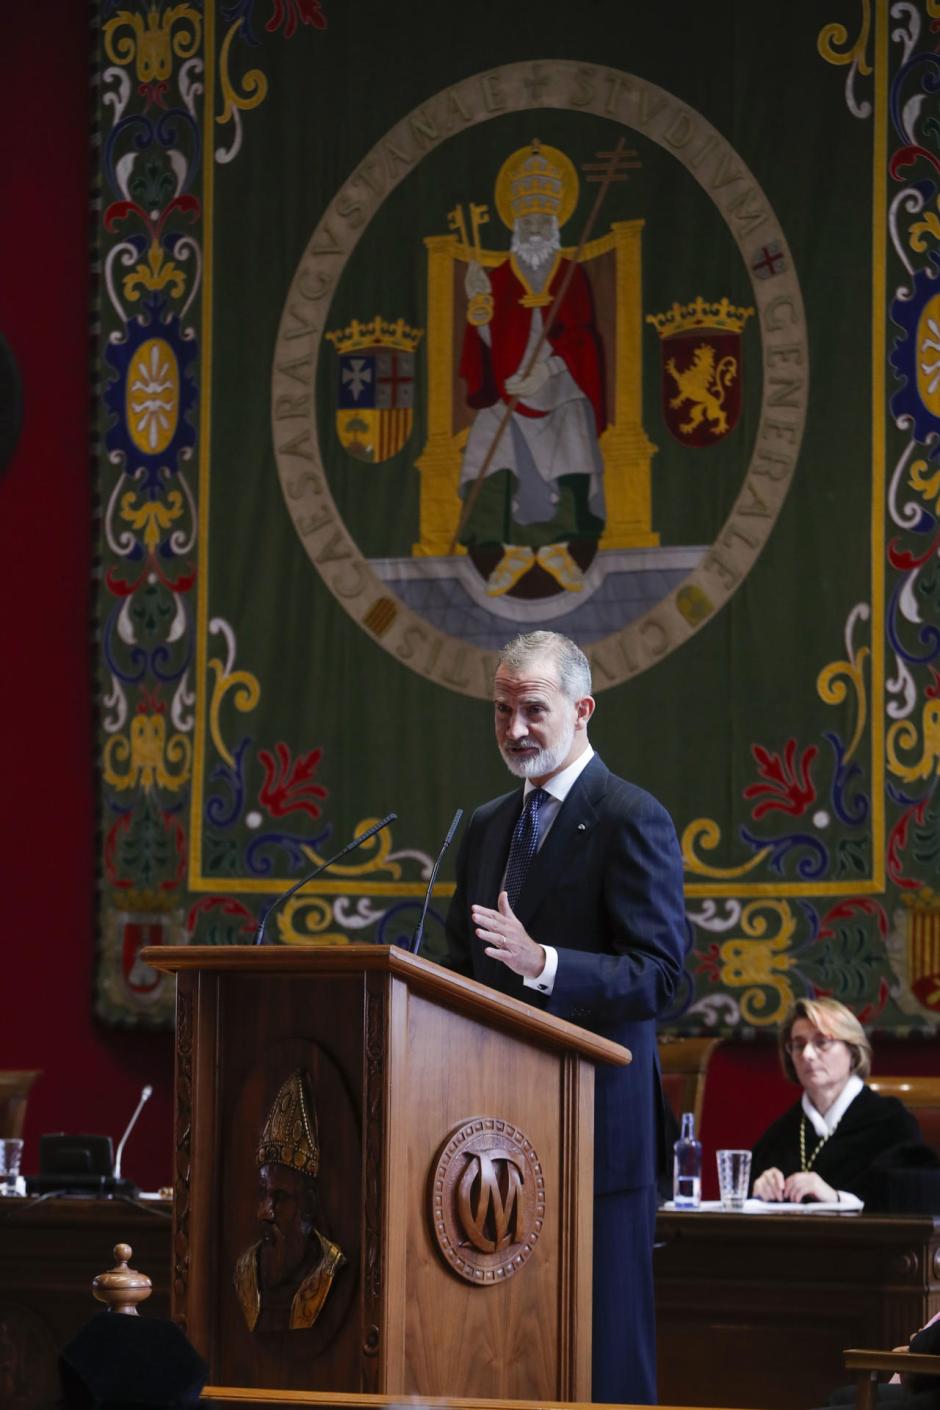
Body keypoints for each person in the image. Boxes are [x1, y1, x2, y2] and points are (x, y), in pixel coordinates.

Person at [428, 629, 686, 1404]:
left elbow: (662, 977)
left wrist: (544, 965)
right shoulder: (485, 827)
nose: (514, 729)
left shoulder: (629, 817)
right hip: (485, 1141)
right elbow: (457, 970)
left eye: (532, 710)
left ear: (582, 710)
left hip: (594, 1133)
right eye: (502, 711)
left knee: (603, 1357)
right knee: (502, 1352)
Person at [458, 141, 606, 597]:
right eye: (530, 221)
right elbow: (483, 349)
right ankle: (507, 549)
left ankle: (562, 548)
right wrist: (479, 319)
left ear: (557, 225)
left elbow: (583, 338)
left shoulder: (570, 274)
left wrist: (551, 370)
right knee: (488, 442)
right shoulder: (499, 278)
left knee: (572, 429)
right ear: (516, 225)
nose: (538, 229)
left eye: (545, 221)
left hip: (559, 386)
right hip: (508, 391)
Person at [751, 997, 923, 1208]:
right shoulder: (779, 1135)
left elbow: (912, 1205)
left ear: (852, 1051)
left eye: (821, 1042)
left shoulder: (892, 1124)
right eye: (798, 1045)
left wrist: (837, 1199)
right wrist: (758, 1192)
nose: (807, 1055)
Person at [235, 1069, 346, 1332]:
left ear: (308, 1204)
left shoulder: (328, 1270)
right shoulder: (246, 1270)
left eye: (280, 1197)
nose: (265, 1212)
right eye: (263, 1193)